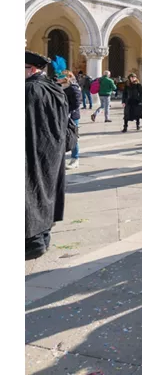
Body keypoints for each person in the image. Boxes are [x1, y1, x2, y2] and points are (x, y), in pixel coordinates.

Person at [26, 51, 69, 260]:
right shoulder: (54, 88)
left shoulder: (28, 90)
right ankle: (43, 238)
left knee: (30, 195)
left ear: (32, 69)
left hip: (31, 151)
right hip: (51, 153)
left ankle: (33, 243)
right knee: (46, 194)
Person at [59, 71, 82, 170]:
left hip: (72, 116)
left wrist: (66, 110)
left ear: (67, 78)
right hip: (62, 115)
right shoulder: (60, 87)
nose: (58, 78)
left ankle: (75, 159)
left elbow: (77, 103)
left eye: (60, 76)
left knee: (73, 137)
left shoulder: (73, 88)